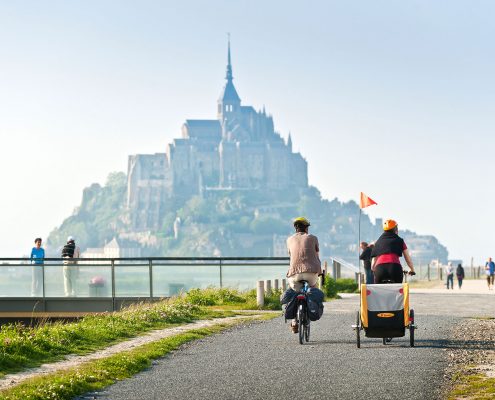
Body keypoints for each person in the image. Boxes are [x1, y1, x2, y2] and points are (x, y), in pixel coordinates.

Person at [286, 217, 322, 333]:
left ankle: (294, 321)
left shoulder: (289, 239)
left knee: (293, 292)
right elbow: (317, 256)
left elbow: (291, 256)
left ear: (295, 228)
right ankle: (312, 310)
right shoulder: (313, 238)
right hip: (311, 273)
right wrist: (320, 272)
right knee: (313, 289)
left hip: (294, 273)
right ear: (306, 228)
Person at [371, 219, 415, 283]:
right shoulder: (400, 240)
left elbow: (374, 260)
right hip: (394, 268)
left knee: (378, 290)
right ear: (396, 230)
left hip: (380, 269)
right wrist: (412, 269)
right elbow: (408, 259)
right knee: (398, 290)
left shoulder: (378, 242)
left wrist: (374, 270)